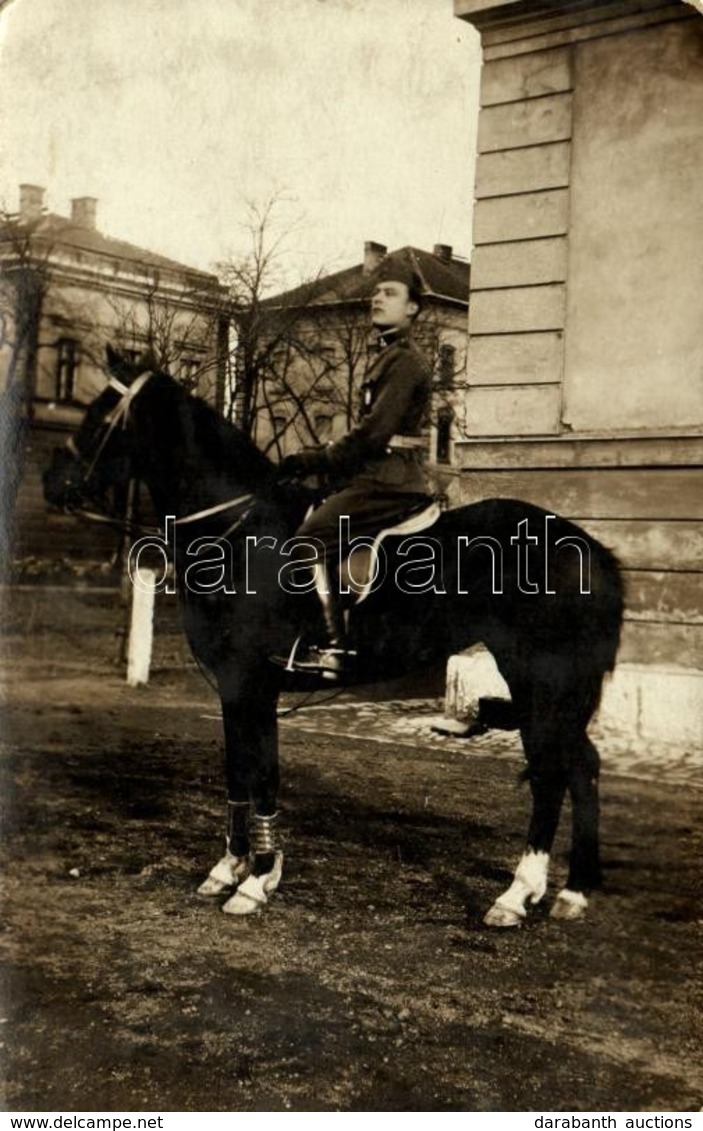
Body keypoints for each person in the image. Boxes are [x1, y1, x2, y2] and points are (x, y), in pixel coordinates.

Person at [276, 256, 435, 678]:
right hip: (378, 475)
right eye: (376, 292)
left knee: (308, 540)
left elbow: (372, 435)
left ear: (413, 308)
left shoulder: (406, 362)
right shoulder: (387, 356)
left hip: (390, 481)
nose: (377, 299)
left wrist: (315, 457)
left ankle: (333, 648)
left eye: (390, 293)